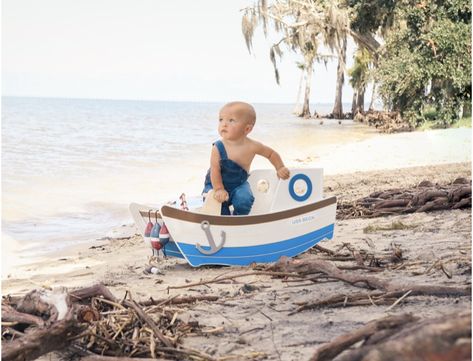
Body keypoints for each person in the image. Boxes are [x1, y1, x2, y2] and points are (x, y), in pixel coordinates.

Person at [203, 101, 290, 215]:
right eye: (221, 119)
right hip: (216, 183)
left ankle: (240, 218)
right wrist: (219, 189)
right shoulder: (218, 147)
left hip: (238, 184)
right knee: (215, 204)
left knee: (244, 199)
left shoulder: (252, 146)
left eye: (231, 120)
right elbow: (215, 170)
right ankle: (223, 218)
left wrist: (280, 167)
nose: (224, 124)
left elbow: (271, 154)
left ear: (247, 129)